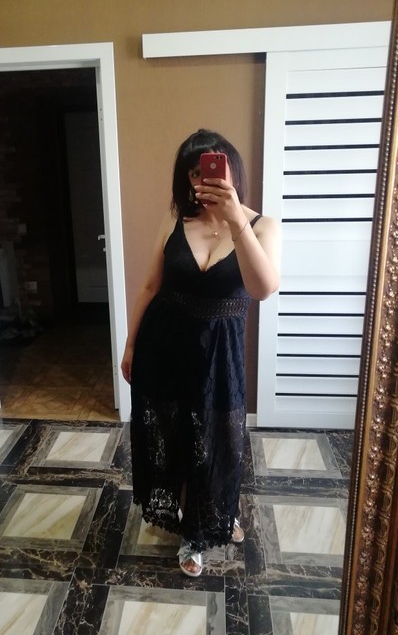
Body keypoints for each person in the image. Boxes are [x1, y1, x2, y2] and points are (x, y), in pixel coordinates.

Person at [121, 128, 280, 577]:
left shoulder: (263, 226)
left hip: (220, 358)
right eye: (193, 173)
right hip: (165, 345)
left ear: (232, 171)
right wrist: (131, 344)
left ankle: (218, 513)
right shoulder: (175, 219)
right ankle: (193, 532)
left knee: (218, 441)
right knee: (175, 437)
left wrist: (235, 219)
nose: (202, 181)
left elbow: (263, 288)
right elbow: (150, 286)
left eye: (211, 169)